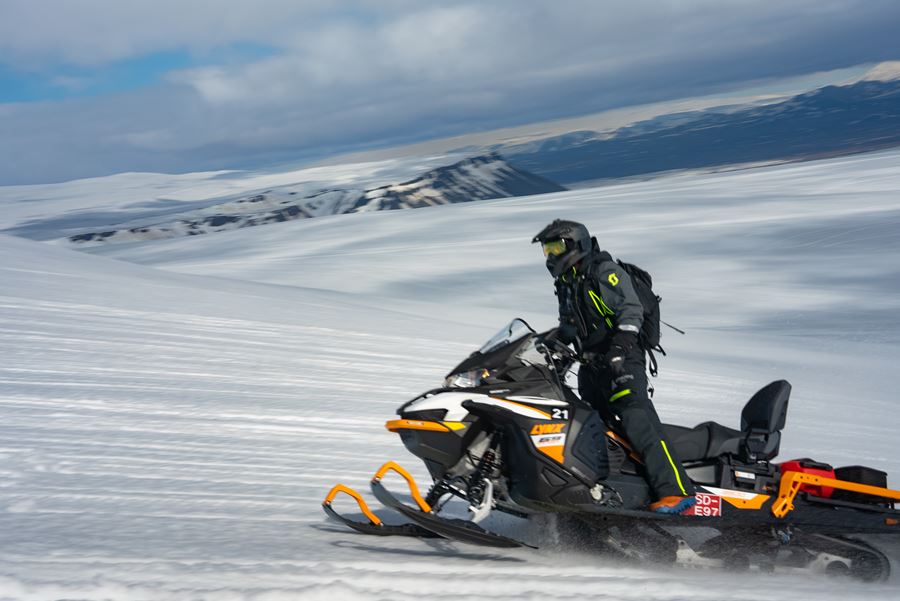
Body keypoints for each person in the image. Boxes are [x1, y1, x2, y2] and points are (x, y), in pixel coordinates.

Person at [532, 219, 696, 514]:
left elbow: (630, 309)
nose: (551, 255)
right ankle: (609, 491)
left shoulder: (602, 271)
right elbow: (570, 327)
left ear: (575, 244)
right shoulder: (568, 282)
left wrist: (620, 347)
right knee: (594, 427)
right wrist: (545, 342)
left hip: (623, 359)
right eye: (547, 250)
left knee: (637, 419)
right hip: (592, 364)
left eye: (555, 247)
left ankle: (677, 491)